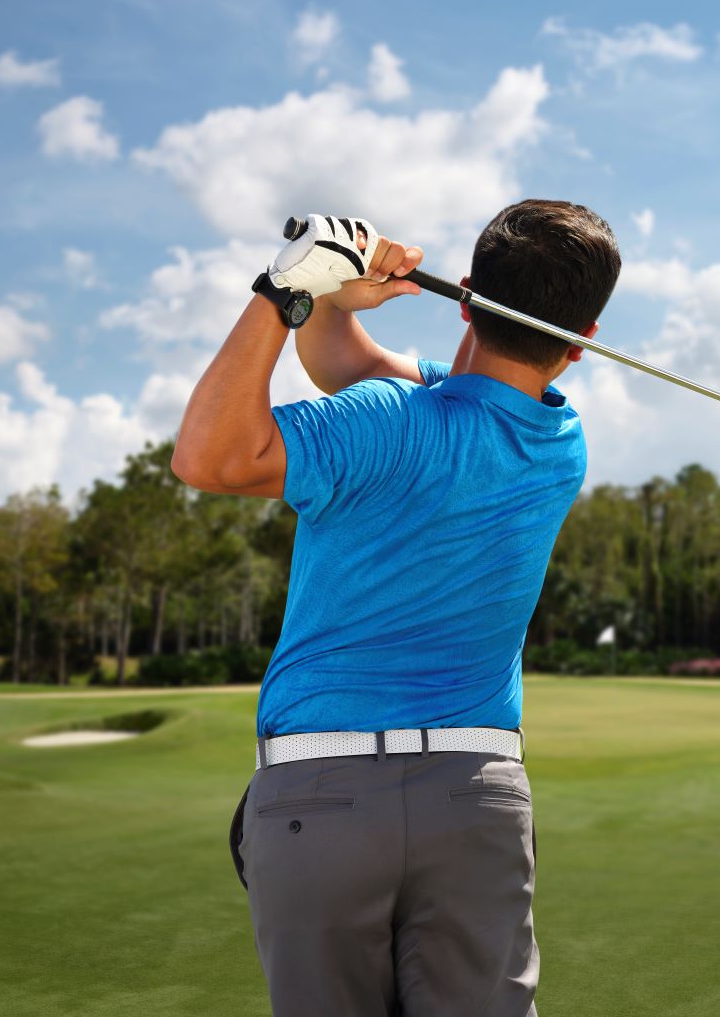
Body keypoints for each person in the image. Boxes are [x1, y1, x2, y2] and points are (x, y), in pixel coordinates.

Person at [171, 199, 622, 1017]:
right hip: (477, 800)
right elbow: (357, 364)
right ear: (585, 335)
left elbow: (209, 456)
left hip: (320, 798)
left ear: (469, 293)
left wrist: (287, 296)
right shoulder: (558, 443)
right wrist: (338, 299)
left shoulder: (385, 422)